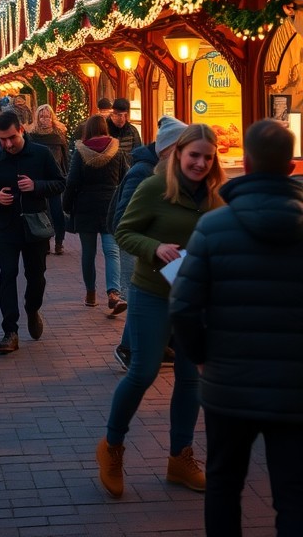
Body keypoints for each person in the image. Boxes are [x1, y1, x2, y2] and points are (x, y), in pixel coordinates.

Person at [170, 119, 303, 537]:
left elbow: (184, 307)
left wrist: (204, 355)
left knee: (224, 484)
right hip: (294, 386)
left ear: (244, 161)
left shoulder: (213, 227)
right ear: (290, 167)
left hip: (229, 384)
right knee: (294, 494)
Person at [96, 123, 225, 499]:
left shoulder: (217, 196)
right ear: (178, 154)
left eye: (207, 156)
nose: (200, 163)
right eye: (193, 155)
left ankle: (179, 458)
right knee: (144, 371)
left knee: (191, 378)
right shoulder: (154, 187)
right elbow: (122, 231)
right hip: (153, 292)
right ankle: (112, 446)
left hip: (197, 299)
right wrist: (155, 247)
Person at [0, 110, 66, 353]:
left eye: (12, 138)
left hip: (35, 227)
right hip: (6, 229)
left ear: (21, 131)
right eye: (3, 139)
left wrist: (36, 186)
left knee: (36, 275)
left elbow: (60, 182)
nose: (7, 144)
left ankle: (32, 308)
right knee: (7, 276)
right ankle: (10, 331)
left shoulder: (40, 154)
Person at [110, 115, 188, 370]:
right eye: (182, 148)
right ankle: (128, 348)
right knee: (145, 296)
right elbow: (123, 218)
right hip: (143, 246)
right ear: (167, 149)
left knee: (168, 295)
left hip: (164, 248)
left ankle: (167, 345)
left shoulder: (170, 171)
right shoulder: (142, 172)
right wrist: (152, 242)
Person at [62, 114, 127, 312]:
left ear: (87, 130)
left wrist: (67, 205)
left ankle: (91, 294)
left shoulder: (81, 151)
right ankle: (114, 293)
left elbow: (72, 181)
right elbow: (126, 177)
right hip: (110, 205)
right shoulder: (117, 150)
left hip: (86, 206)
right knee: (112, 251)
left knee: (88, 253)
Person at [28, 104, 69, 254]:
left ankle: (59, 241)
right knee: (42, 211)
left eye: (47, 116)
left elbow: (65, 157)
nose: (45, 119)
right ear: (37, 118)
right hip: (38, 179)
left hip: (55, 178)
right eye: (42, 116)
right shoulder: (31, 135)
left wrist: (65, 175)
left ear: (52, 118)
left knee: (57, 211)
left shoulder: (59, 134)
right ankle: (44, 241)